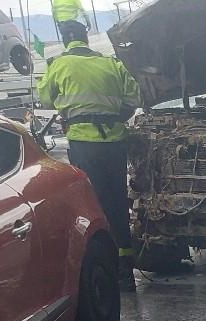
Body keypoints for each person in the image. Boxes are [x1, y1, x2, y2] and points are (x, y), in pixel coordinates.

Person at [38, 20, 140, 289]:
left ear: (64, 40)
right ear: (86, 37)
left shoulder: (59, 64)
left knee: (93, 203)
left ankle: (103, 267)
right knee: (117, 200)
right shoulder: (111, 64)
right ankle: (126, 271)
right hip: (114, 141)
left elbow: (45, 98)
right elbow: (134, 98)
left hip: (84, 142)